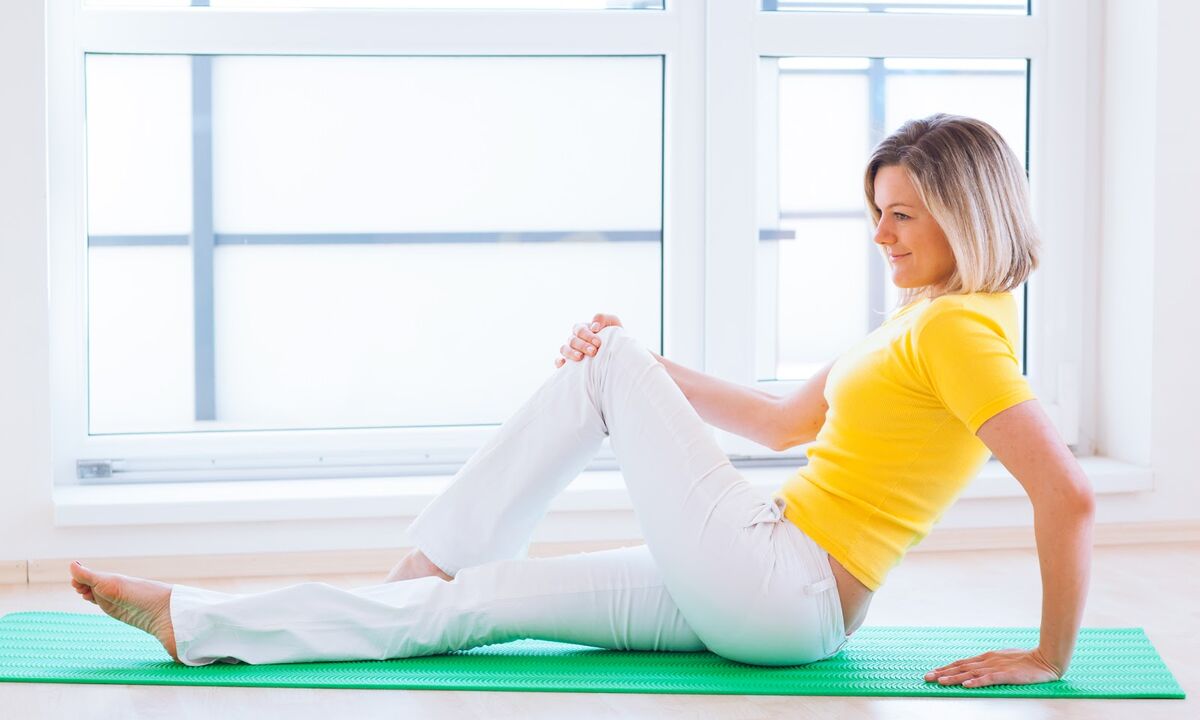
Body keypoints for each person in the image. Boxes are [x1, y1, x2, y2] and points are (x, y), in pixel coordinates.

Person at [69, 113, 1094, 688]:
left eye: (904, 215)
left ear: (970, 209)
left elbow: (1069, 496)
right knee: (470, 605)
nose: (882, 236)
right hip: (766, 591)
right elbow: (785, 421)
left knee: (602, 365)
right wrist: (639, 369)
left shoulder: (962, 333)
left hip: (784, 581)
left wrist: (1049, 657)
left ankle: (416, 566)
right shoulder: (923, 325)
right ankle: (196, 620)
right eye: (876, 214)